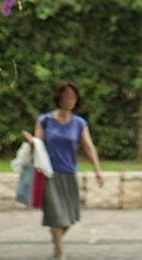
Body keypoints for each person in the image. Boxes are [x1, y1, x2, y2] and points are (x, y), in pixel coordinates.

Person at [22, 80, 105, 260]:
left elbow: (89, 147)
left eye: (73, 96)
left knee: (70, 218)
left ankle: (56, 245)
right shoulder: (45, 120)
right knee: (56, 216)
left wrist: (97, 170)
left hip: (69, 173)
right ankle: (61, 254)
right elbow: (38, 145)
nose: (70, 100)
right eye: (67, 96)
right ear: (58, 98)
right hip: (49, 174)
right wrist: (31, 142)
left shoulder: (79, 123)